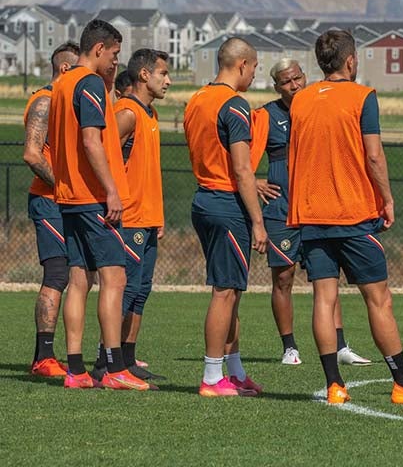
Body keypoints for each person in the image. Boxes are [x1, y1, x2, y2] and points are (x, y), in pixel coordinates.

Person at [287, 29, 403, 405]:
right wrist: (388, 199)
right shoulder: (363, 97)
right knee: (378, 299)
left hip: (311, 214)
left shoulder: (301, 100)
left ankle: (334, 385)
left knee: (323, 299)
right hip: (352, 214)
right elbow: (375, 156)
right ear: (350, 61)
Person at [48, 20, 150, 390]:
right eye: (114, 55)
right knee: (114, 278)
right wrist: (111, 190)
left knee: (78, 280)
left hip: (69, 197)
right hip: (92, 197)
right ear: (99, 49)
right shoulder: (88, 82)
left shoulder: (60, 85)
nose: (115, 63)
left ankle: (75, 370)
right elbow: (91, 141)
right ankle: (114, 368)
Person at [253, 58, 371, 367]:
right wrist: (253, 181)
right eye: (286, 82)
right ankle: (289, 347)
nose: (294, 85)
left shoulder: (318, 103)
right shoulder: (265, 115)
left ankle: (340, 345)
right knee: (284, 277)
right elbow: (239, 155)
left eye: (297, 78)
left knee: (327, 277)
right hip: (281, 207)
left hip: (317, 204)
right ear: (276, 86)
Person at [184, 37, 267, 397]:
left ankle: (233, 372)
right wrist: (259, 221)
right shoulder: (234, 106)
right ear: (242, 65)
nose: (253, 75)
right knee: (224, 291)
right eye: (254, 68)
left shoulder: (197, 99)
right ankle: (212, 377)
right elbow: (242, 169)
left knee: (232, 290)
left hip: (203, 198)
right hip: (226, 202)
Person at [96, 49, 170, 382]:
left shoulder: (149, 113)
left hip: (148, 218)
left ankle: (127, 357)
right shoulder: (126, 112)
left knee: (141, 290)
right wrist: (114, 199)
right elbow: (104, 155)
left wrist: (159, 215)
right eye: (163, 73)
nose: (167, 80)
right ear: (144, 75)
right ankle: (105, 359)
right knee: (125, 288)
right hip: (129, 218)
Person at [23, 41, 79, 377]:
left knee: (75, 275)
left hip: (66, 201)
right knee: (57, 274)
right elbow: (32, 154)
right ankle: (43, 357)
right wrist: (62, 186)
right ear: (64, 69)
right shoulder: (45, 100)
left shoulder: (65, 102)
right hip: (49, 200)